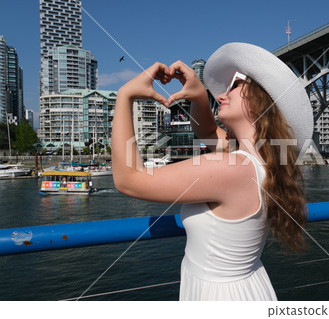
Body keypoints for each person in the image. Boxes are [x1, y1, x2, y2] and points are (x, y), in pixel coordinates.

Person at [112, 42, 313, 301]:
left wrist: (125, 94)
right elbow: (207, 132)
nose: (221, 96)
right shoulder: (263, 159)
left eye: (236, 88)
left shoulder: (232, 169)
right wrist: (197, 94)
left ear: (262, 103)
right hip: (246, 287)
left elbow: (129, 180)